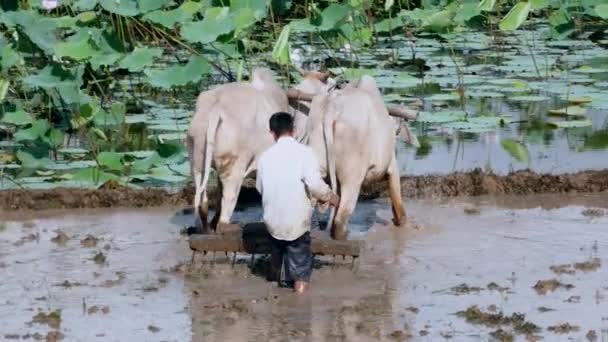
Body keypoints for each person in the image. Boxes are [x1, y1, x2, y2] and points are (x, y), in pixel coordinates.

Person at [256, 112, 340, 294]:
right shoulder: (305, 153)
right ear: (293, 131)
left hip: (272, 223)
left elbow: (260, 189)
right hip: (296, 223)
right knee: (301, 266)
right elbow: (316, 185)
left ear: (272, 133)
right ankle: (299, 304)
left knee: (278, 256)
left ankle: (277, 281)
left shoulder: (264, 157)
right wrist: (331, 197)